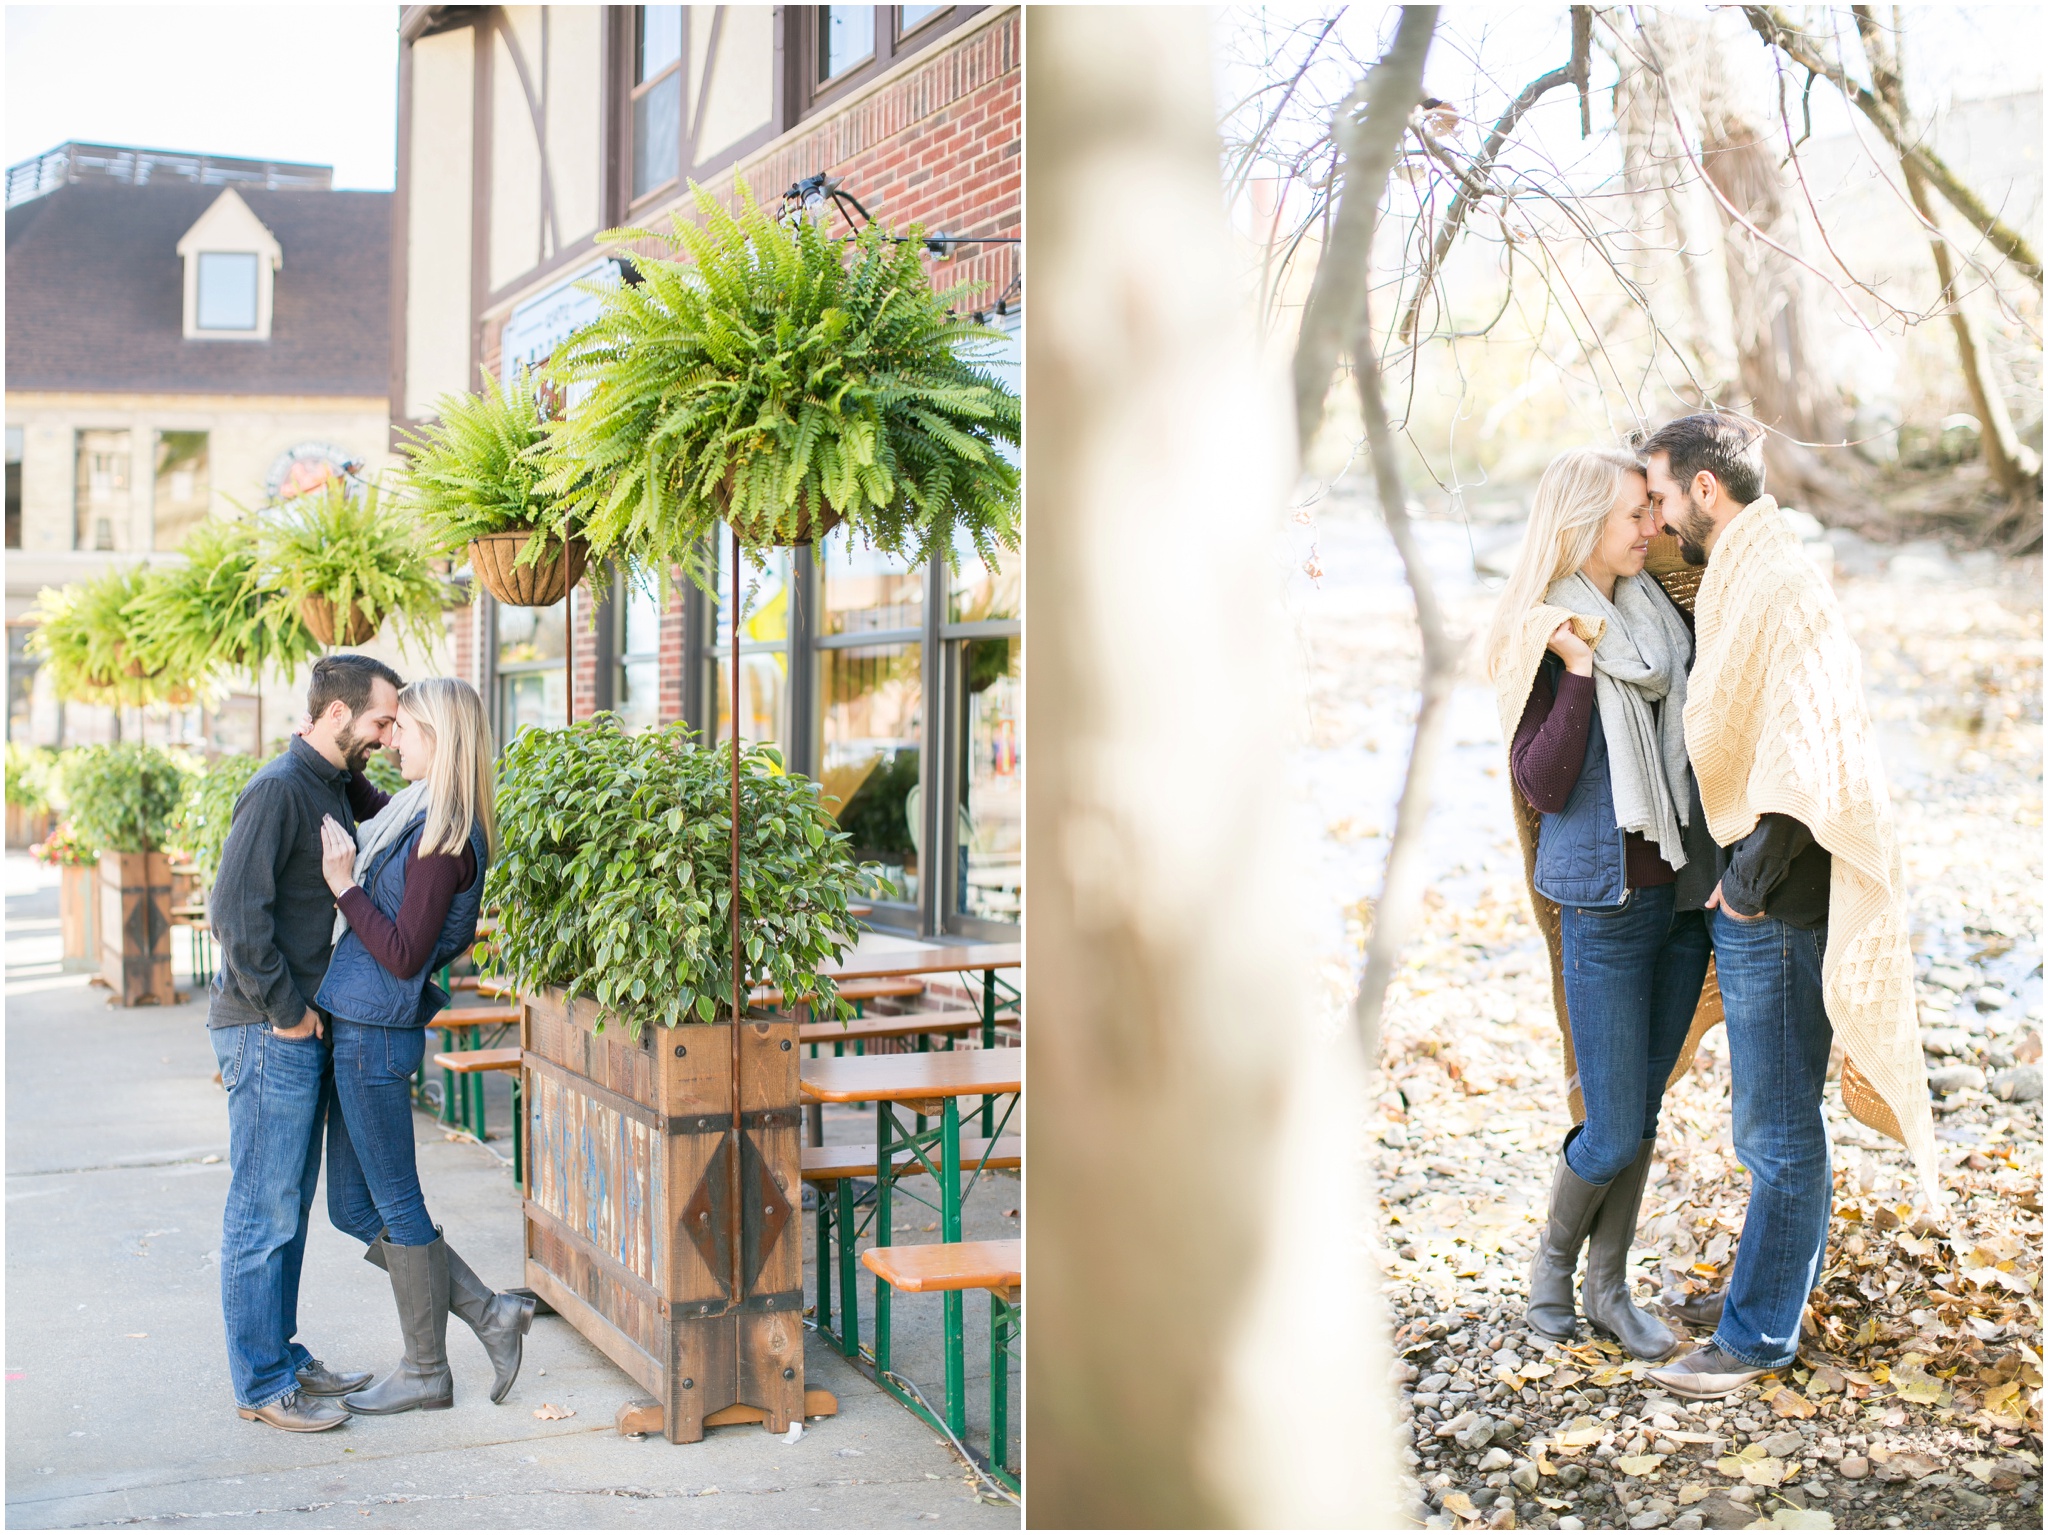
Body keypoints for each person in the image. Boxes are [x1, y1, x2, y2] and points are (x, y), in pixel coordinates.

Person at [1637, 413, 1937, 1400]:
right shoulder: (1750, 573)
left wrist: (1746, 881)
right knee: (1777, 1122)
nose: (1657, 510)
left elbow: (1806, 753)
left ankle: (1756, 1335)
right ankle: (1774, 1304)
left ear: (1704, 491)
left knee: (1771, 1130)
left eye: (1661, 491)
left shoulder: (1771, 584)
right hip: (1767, 891)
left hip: (1776, 902)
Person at [1485, 446, 1721, 1360]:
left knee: (1645, 1109)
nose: (1650, 528)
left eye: (1649, 512)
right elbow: (1542, 784)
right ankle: (1552, 1269)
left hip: (1683, 899)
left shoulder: (1662, 613)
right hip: (1603, 900)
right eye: (1633, 515)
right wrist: (1577, 669)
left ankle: (1609, 1289)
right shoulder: (1539, 632)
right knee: (1613, 1117)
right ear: (1583, 524)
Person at [312, 676, 533, 1414]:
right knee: (351, 1206)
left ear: (437, 735)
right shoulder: (420, 811)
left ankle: (426, 1369)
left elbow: (405, 952)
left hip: (378, 1031)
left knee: (397, 1201)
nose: (391, 739)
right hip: (360, 1024)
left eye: (401, 727)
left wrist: (344, 885)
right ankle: (489, 1312)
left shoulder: (445, 837)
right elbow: (360, 793)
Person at [208, 654, 402, 1432]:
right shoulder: (278, 789)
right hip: (265, 1028)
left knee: (286, 1208)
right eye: (380, 722)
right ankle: (260, 1382)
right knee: (263, 1211)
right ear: (333, 717)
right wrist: (288, 1012)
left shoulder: (327, 781)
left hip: (299, 1027)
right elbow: (234, 914)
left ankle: (282, 1357)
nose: (387, 736)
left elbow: (387, 807)